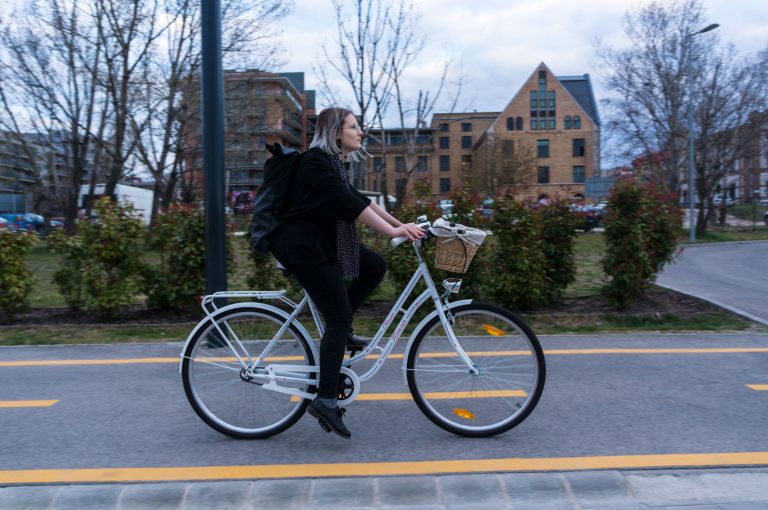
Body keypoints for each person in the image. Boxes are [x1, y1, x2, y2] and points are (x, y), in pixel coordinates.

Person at [270, 107, 424, 439]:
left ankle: (339, 334)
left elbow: (360, 200)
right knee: (338, 320)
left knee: (375, 266)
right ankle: (325, 401)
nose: (360, 132)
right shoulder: (315, 162)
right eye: (354, 127)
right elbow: (349, 205)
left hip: (320, 245)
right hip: (304, 248)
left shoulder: (334, 164)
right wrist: (393, 233)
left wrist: (402, 225)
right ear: (336, 132)